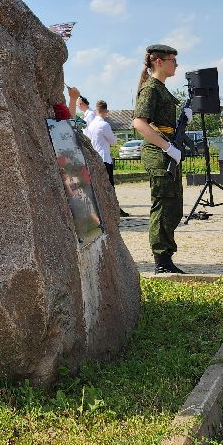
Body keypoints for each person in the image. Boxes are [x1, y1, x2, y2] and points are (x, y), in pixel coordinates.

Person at [132, 44, 192, 274]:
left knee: (174, 205)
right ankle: (161, 261)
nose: (176, 64)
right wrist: (167, 147)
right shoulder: (151, 89)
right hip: (159, 154)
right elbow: (139, 123)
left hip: (167, 151)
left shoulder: (162, 89)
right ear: (159, 61)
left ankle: (167, 257)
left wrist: (182, 122)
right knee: (163, 205)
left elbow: (163, 124)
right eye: (172, 60)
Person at [84, 100, 130, 216]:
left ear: (96, 110)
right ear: (106, 111)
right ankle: (113, 209)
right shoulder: (104, 125)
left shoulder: (91, 125)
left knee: (97, 185)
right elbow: (113, 141)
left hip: (94, 158)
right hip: (104, 158)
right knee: (109, 185)